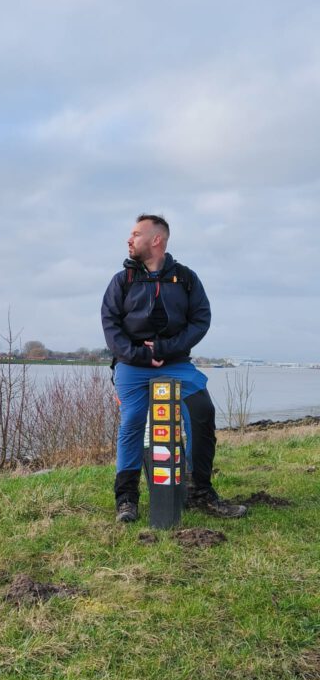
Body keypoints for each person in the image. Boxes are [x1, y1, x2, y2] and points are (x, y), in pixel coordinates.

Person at [101, 214, 247, 523]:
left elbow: (201, 320)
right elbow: (111, 326)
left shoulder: (187, 278)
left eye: (136, 234)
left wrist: (165, 349)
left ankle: (199, 492)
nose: (129, 239)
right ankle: (126, 499)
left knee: (202, 412)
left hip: (177, 362)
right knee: (132, 421)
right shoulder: (122, 281)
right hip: (132, 364)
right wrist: (140, 354)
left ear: (156, 240)